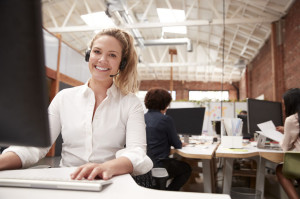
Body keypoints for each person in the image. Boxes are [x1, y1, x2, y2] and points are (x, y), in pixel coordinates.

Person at [0, 28, 153, 180]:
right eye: (97, 52)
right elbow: (36, 145)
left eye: (112, 55)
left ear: (122, 63)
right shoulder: (64, 98)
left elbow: (137, 152)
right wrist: (3, 160)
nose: (102, 60)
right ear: (88, 54)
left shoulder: (130, 103)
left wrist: (106, 167)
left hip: (109, 181)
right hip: (69, 179)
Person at [144, 87, 191, 191]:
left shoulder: (142, 118)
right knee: (186, 169)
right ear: (165, 104)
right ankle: (169, 193)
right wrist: (181, 143)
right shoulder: (165, 119)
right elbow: (177, 144)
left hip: (143, 167)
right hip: (159, 165)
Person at [275, 88, 300, 199]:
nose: (284, 108)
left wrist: (283, 137)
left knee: (280, 169)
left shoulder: (291, 119)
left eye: (284, 105)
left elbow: (285, 147)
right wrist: (286, 130)